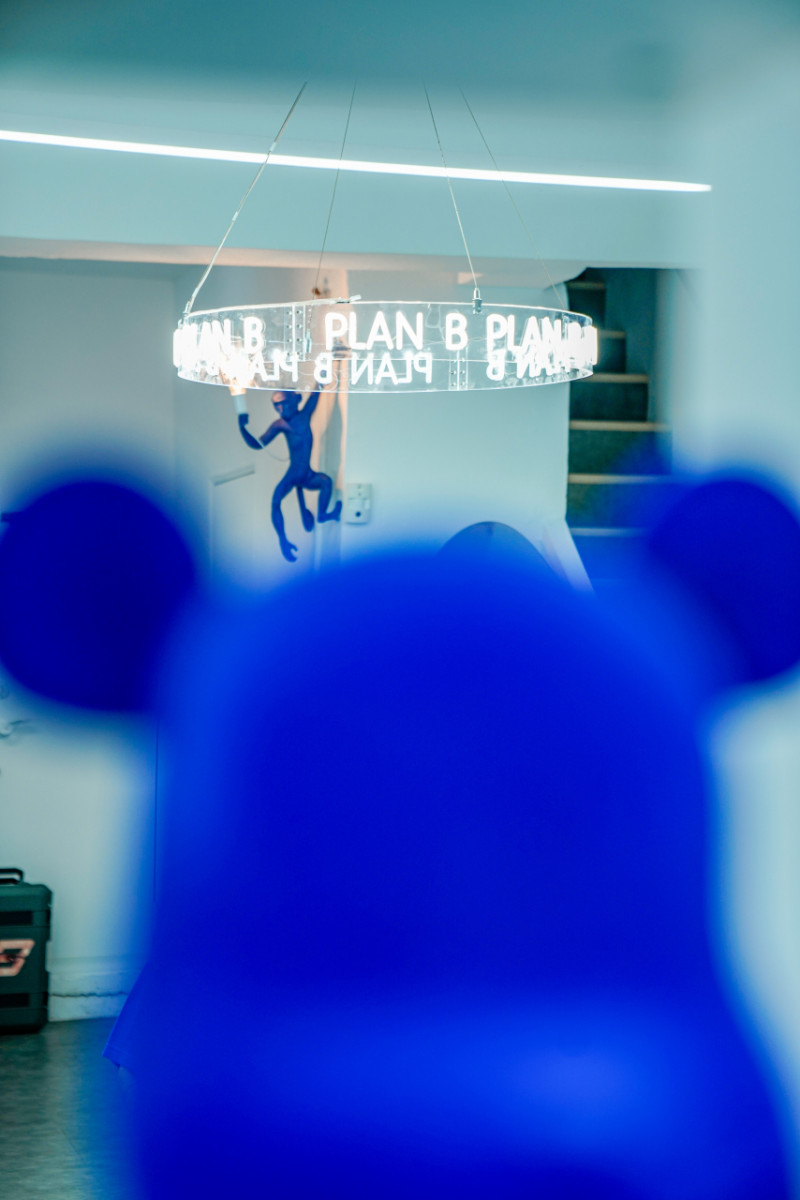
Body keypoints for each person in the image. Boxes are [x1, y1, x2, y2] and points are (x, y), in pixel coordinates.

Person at [237, 390, 342, 562]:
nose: (281, 409)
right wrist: (242, 428)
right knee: (275, 501)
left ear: (296, 400)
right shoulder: (279, 425)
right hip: (294, 474)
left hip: (307, 473)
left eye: (284, 403)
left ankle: (323, 514)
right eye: (276, 405)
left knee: (326, 482)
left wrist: (324, 376)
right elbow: (257, 444)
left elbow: (316, 392)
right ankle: (283, 540)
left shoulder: (304, 416)